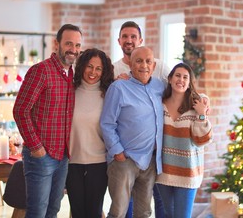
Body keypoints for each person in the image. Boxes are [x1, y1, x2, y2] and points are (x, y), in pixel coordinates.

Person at [13, 24, 82, 217]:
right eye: (69, 43)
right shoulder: (41, 71)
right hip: (41, 156)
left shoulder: (71, 75)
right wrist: (37, 148)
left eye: (77, 45)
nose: (74, 50)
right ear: (56, 43)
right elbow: (20, 110)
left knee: (53, 209)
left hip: (63, 156)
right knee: (37, 211)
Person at [100, 46, 164, 218]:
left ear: (154, 66)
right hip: (125, 161)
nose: (144, 65)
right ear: (130, 64)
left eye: (148, 61)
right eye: (139, 61)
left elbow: (182, 90)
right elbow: (106, 123)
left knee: (144, 212)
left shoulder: (159, 86)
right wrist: (118, 152)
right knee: (118, 211)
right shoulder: (119, 88)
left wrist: (203, 99)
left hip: (150, 161)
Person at [113, 20, 168, 218]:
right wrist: (116, 151)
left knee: (150, 206)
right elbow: (108, 117)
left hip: (154, 155)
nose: (129, 40)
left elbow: (182, 83)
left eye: (133, 37)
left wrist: (202, 99)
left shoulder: (158, 68)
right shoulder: (115, 72)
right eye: (125, 37)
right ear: (119, 41)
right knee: (122, 208)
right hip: (127, 155)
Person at [156, 63, 213, 218]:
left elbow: (202, 140)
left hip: (188, 173)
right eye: (177, 76)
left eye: (185, 77)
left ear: (189, 83)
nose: (181, 80)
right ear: (169, 79)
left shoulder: (196, 106)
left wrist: (202, 115)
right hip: (163, 173)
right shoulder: (159, 104)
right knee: (168, 214)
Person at [66, 48, 114, 218]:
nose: (93, 72)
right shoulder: (69, 91)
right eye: (89, 66)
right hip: (72, 163)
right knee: (77, 212)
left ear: (104, 71)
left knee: (94, 212)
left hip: (99, 163)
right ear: (82, 66)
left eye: (98, 68)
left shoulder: (109, 94)